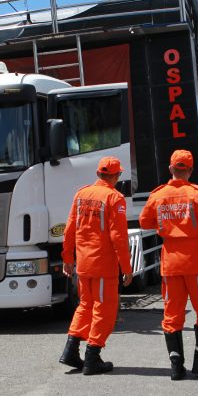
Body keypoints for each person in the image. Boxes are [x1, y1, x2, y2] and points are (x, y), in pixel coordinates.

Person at [139, 149, 198, 381]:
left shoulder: (158, 195)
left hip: (170, 261)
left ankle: (176, 366)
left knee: (172, 314)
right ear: (190, 169)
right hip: (196, 261)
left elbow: (145, 221)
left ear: (170, 169)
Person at [58, 156, 133, 375]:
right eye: (118, 175)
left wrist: (67, 259)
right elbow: (118, 237)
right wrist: (126, 268)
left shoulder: (81, 194)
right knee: (104, 310)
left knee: (85, 306)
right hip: (103, 265)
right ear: (115, 176)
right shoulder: (114, 198)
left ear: (99, 174)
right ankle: (92, 356)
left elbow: (69, 229)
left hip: (83, 263)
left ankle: (71, 351)